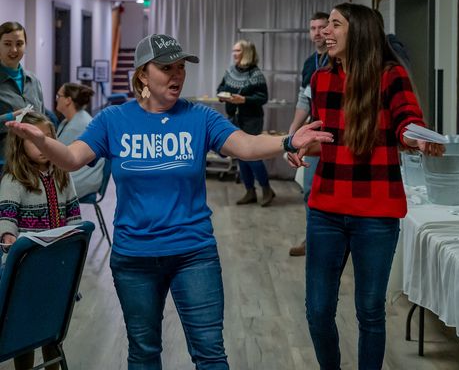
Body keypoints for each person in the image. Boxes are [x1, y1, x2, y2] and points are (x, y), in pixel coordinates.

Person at [6, 33, 333, 370]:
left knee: (210, 354)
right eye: (166, 68)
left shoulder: (200, 117)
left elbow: (246, 145)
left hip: (193, 254)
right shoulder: (113, 119)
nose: (177, 75)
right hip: (134, 257)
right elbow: (72, 158)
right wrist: (43, 141)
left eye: (181, 67)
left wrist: (289, 141)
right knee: (144, 352)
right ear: (143, 75)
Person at [287, 3, 445, 370]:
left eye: (335, 25)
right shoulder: (321, 79)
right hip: (326, 210)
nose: (325, 32)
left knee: (370, 311)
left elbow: (407, 120)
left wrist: (417, 138)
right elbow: (327, 136)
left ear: (358, 31)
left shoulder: (390, 76)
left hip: (376, 213)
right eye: (326, 25)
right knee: (317, 311)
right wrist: (301, 146)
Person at [0, 112, 81, 370]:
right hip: (27, 270)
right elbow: (6, 217)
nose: (41, 144)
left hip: (58, 267)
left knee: (52, 329)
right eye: (34, 140)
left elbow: (74, 215)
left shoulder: (62, 174)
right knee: (24, 333)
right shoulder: (13, 179)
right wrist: (8, 236)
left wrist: (75, 242)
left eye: (46, 138)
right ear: (19, 144)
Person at [288, 11, 329, 257]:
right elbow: (304, 99)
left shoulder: (339, 60)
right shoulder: (309, 63)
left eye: (322, 27)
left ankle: (331, 241)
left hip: (336, 135)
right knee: (310, 190)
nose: (317, 33)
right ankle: (313, 239)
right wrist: (292, 132)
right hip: (314, 134)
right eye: (313, 28)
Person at [217, 39, 275, 207]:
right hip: (234, 118)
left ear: (247, 53)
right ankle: (250, 191)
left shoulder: (255, 74)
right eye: (233, 51)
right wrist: (223, 96)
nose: (234, 54)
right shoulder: (230, 71)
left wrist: (244, 100)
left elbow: (263, 98)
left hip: (252, 119)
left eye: (237, 51)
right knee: (240, 155)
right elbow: (220, 89)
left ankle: (267, 189)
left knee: (252, 156)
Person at [0, 22, 45, 159]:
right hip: (4, 161)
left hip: (32, 161)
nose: (14, 50)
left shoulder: (33, 80)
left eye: (19, 44)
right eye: (7, 44)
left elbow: (42, 118)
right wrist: (11, 117)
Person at [55, 82, 105, 198]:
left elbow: (57, 157)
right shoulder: (71, 120)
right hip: (82, 177)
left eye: (59, 96)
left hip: (79, 180)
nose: (56, 99)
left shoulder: (76, 126)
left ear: (68, 100)